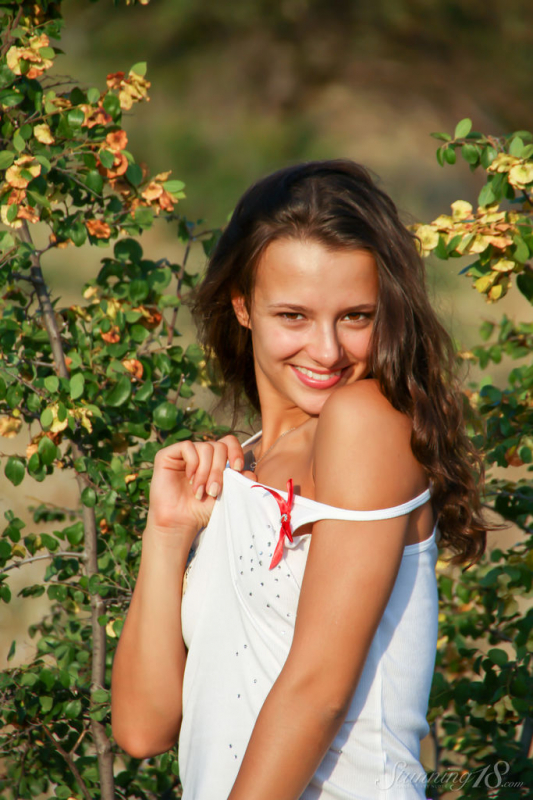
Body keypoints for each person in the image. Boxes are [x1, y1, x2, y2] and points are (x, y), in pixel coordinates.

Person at [111, 160, 488, 799]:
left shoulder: (366, 422)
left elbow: (316, 689)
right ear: (242, 306)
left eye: (356, 316)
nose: (327, 350)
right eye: (293, 315)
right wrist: (169, 532)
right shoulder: (241, 467)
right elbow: (144, 730)